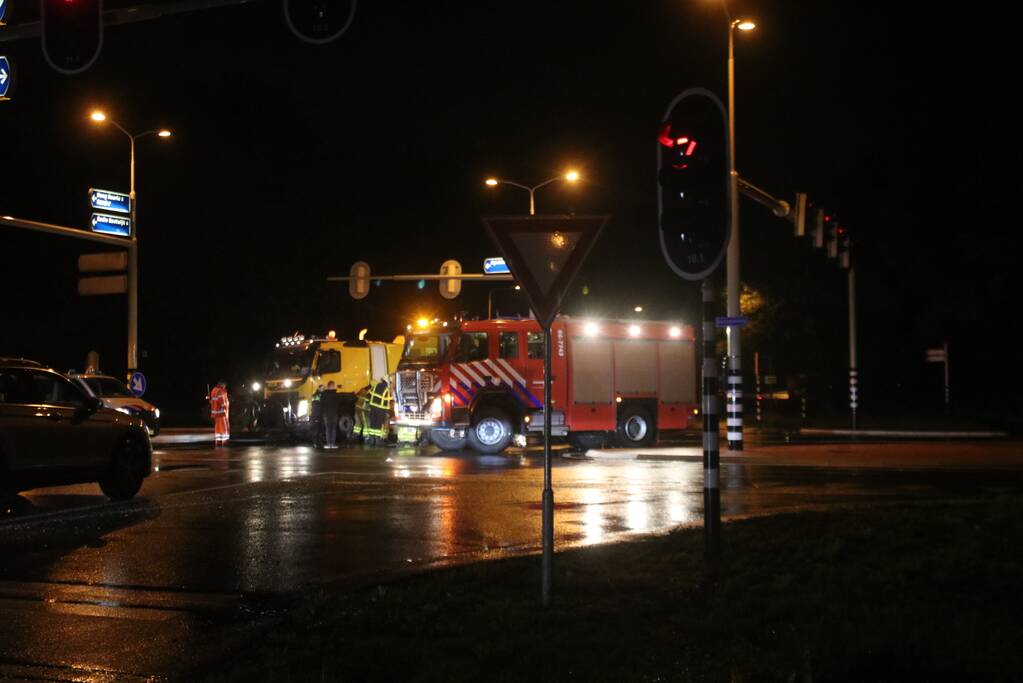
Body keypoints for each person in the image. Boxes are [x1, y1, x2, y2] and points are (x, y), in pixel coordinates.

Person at [366, 376, 393, 447]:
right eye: (390, 382)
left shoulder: (376, 386)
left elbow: (368, 395)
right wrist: (387, 411)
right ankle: (377, 441)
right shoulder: (386, 389)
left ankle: (372, 440)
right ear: (387, 381)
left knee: (373, 424)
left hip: (372, 408)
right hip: (380, 409)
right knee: (378, 425)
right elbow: (389, 400)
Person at [210, 381, 230, 446]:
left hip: (215, 413)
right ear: (222, 385)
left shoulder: (214, 390)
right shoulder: (221, 391)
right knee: (224, 427)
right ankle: (225, 441)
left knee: (218, 427)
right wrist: (225, 407)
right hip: (221, 412)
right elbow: (221, 400)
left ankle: (218, 441)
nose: (225, 387)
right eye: (224, 385)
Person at [321, 380, 340, 449]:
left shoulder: (324, 394)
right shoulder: (336, 395)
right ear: (330, 386)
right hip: (334, 414)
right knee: (332, 429)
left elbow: (322, 404)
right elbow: (338, 404)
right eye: (333, 385)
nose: (334, 387)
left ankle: (329, 444)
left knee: (328, 429)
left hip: (327, 415)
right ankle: (332, 444)